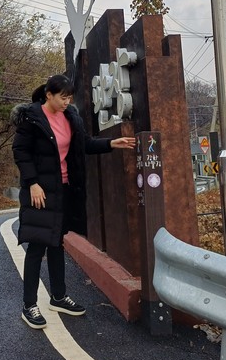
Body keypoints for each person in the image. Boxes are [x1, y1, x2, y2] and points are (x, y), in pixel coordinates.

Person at [10, 74, 135, 329]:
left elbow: (83, 144)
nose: (67, 102)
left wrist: (111, 143)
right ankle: (29, 305)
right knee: (37, 246)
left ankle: (58, 297)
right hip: (40, 191)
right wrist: (32, 182)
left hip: (64, 190)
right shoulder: (32, 118)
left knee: (57, 243)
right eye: (63, 97)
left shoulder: (71, 117)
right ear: (49, 95)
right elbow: (20, 151)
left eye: (69, 97)